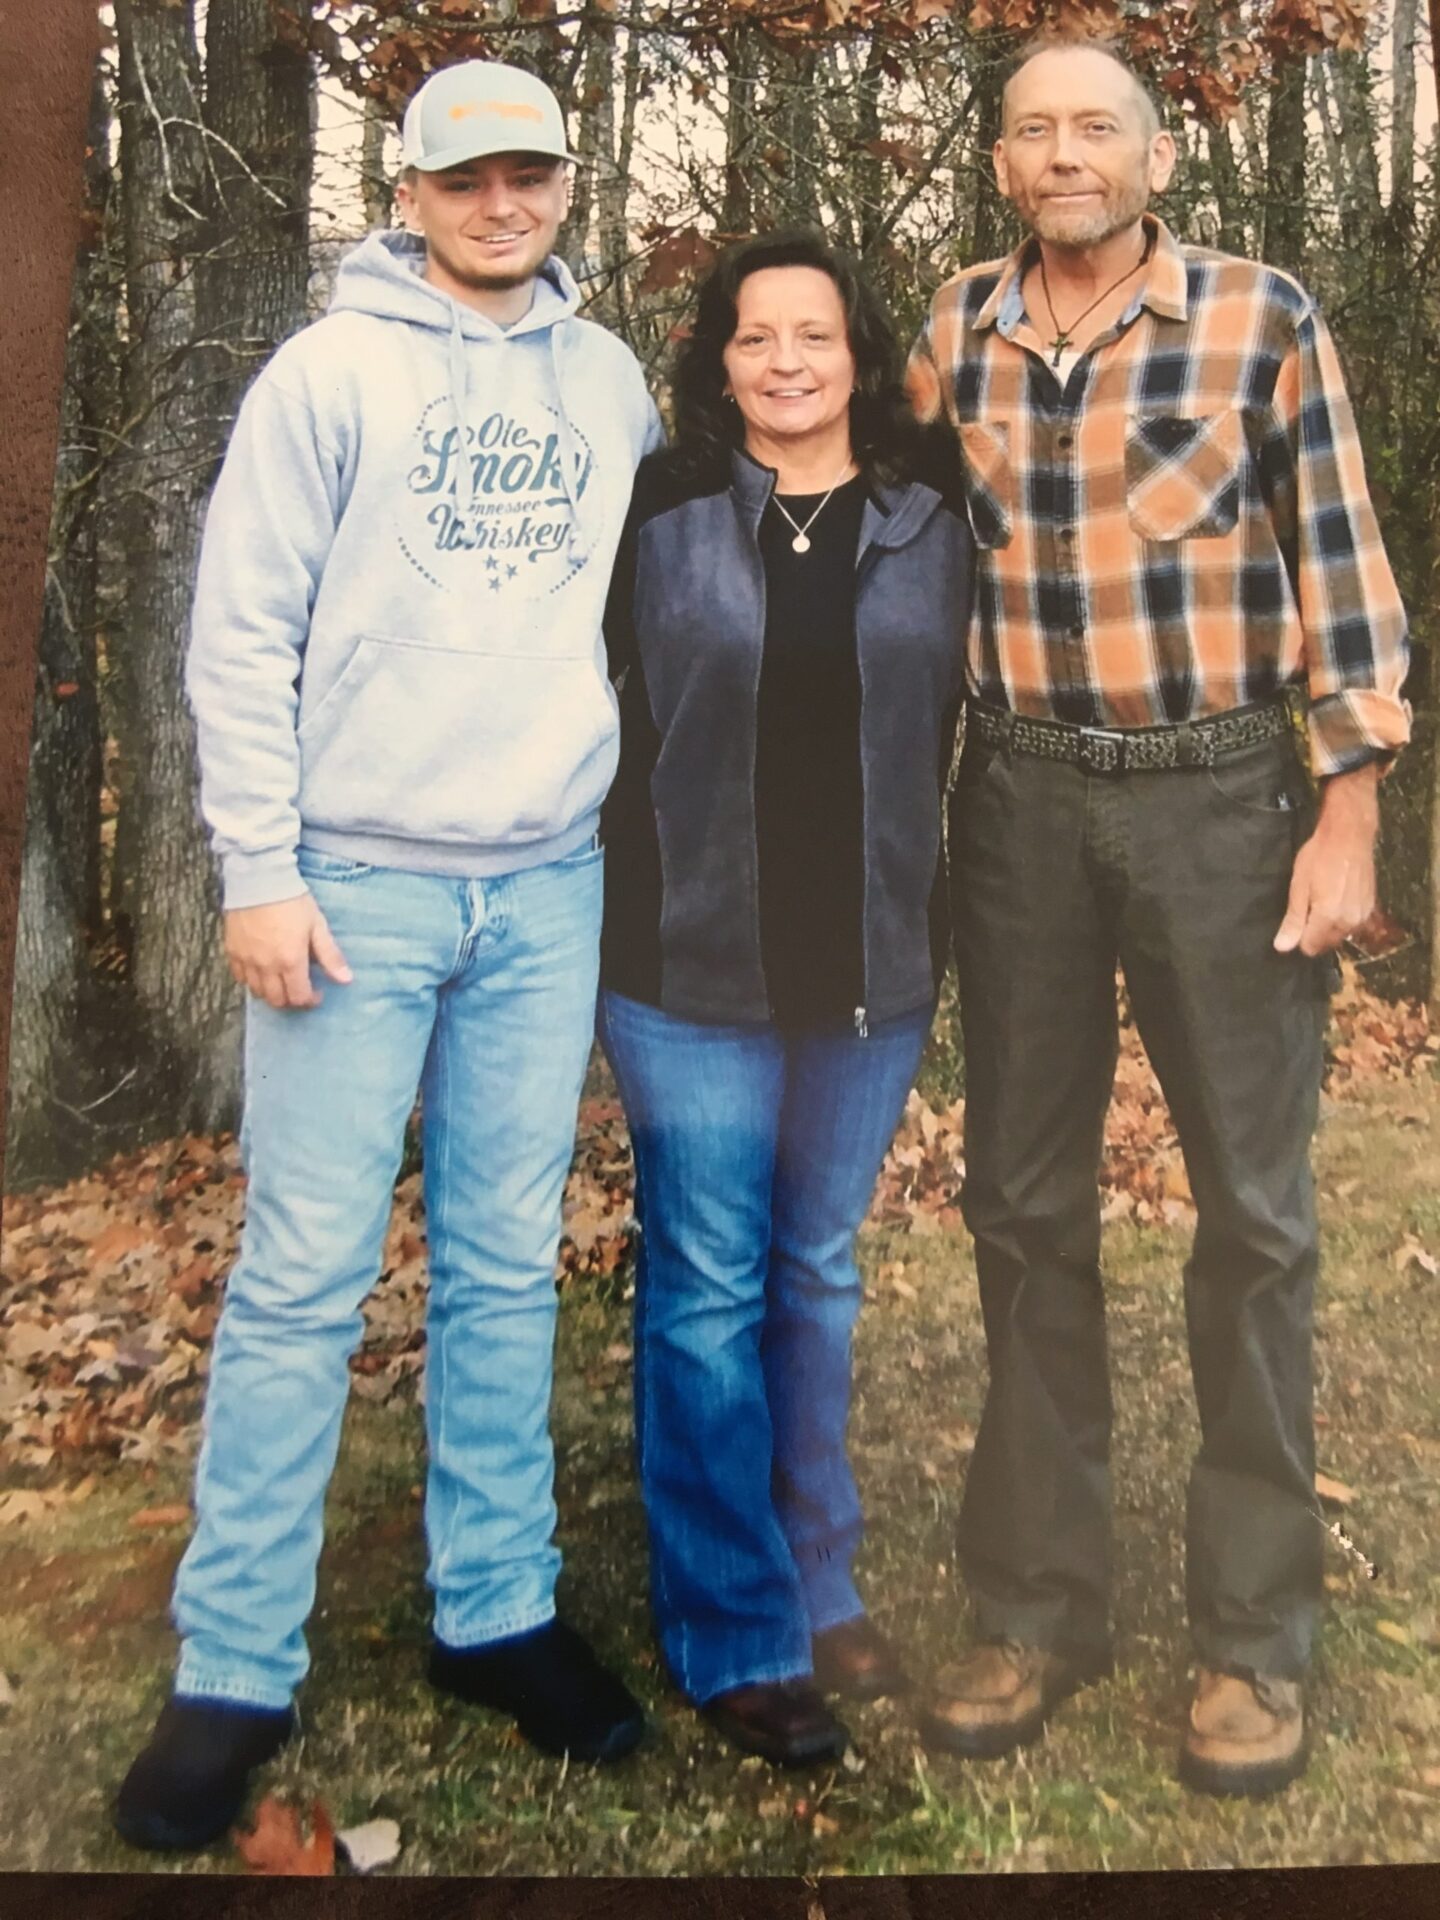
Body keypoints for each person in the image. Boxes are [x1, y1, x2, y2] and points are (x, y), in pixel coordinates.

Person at [115, 59, 662, 1851]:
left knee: (507, 1262)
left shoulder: (610, 380)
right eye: (466, 178)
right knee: (302, 1277)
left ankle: (494, 1613)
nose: (502, 203)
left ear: (567, 185)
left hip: (544, 884)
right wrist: (258, 869)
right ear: (411, 192)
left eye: (530, 174)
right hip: (352, 885)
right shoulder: (328, 372)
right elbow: (241, 628)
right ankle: (232, 1666)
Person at [905, 35, 1410, 1797]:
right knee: (1024, 1205)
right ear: (999, 163)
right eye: (1035, 129)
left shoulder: (1261, 318)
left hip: (1219, 801)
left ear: (1155, 154)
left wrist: (1346, 814)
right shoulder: (951, 326)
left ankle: (1252, 1635)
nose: (1067, 154)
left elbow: (1342, 571)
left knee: (1253, 1220)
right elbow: (899, 552)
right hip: (1020, 804)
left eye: (1097, 127)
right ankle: (1040, 1602)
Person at [598, 232, 973, 1766]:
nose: (787, 361)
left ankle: (821, 1577)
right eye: (757, 337)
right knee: (705, 1287)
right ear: (719, 359)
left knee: (813, 1273)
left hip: (870, 966)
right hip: (687, 962)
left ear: (860, 354)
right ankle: (734, 1626)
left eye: (814, 332)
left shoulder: (936, 513)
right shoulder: (657, 511)